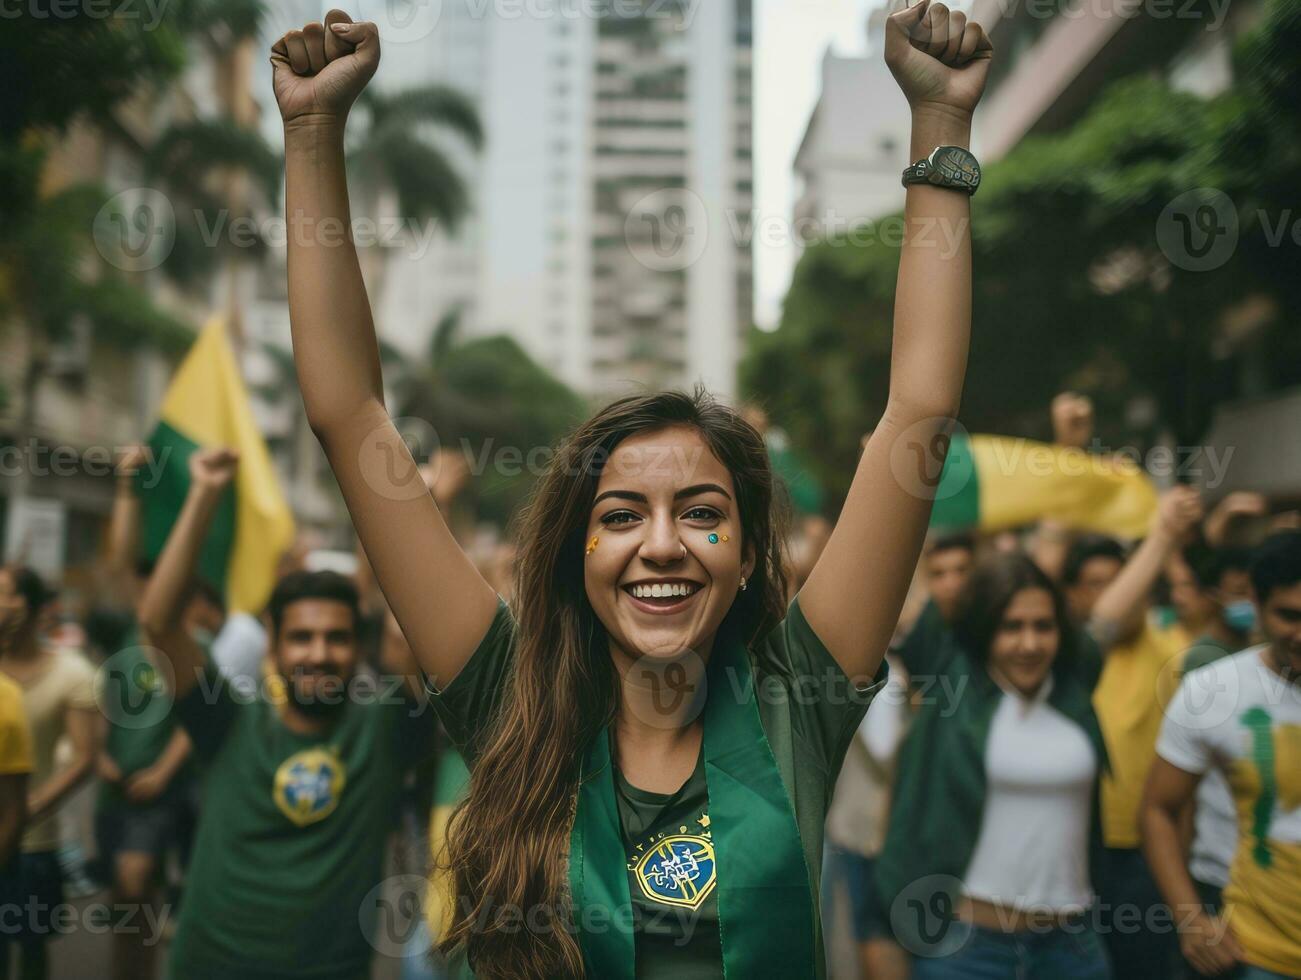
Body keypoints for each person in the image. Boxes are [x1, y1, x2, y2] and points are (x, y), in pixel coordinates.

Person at [272, 1, 991, 974]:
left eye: (701, 513)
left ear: (744, 556)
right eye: (620, 515)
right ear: (578, 553)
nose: (661, 543)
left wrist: (939, 129)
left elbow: (916, 412)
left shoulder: (797, 698)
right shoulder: (505, 697)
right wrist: (312, 133)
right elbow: (348, 413)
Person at [136, 448, 434, 980]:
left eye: (336, 638)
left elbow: (405, 635)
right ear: (272, 644)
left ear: (357, 647)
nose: (318, 653)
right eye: (301, 637)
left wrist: (408, 498)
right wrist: (204, 495)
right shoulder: (225, 720)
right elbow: (159, 625)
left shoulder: (387, 730)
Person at [875, 553, 1110, 979]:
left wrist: (1165, 535)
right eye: (1011, 627)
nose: (1029, 643)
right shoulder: (953, 692)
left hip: (1072, 945)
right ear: (984, 631)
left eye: (1043, 626)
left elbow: (1110, 619)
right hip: (969, 948)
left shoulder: (1075, 692)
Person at [1143, 530, 1301, 980]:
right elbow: (1157, 810)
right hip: (1252, 947)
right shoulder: (1214, 691)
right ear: (1255, 602)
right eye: (1289, 615)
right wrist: (1191, 921)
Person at [1086, 486, 1204, 980]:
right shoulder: (1075, 654)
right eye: (1094, 583)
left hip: (1149, 850)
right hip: (1084, 846)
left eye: (1125, 579)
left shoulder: (1176, 643)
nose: (1115, 591)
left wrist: (1167, 532)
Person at [0, 566, 99, 980]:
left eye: (6, 594)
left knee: (30, 948)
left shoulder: (72, 674)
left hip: (33, 842)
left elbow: (84, 758)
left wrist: (29, 808)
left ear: (35, 609)